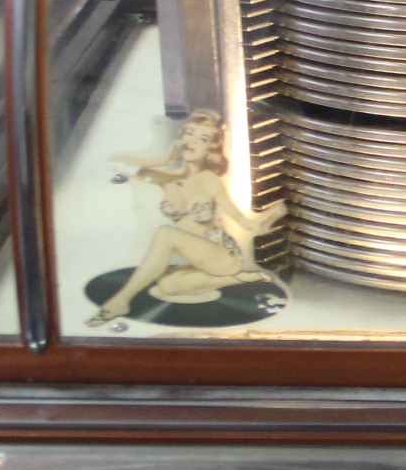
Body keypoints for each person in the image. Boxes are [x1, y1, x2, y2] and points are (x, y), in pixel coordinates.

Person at [85, 110, 287, 325]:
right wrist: (165, 158)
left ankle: (121, 300)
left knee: (166, 234)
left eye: (203, 138)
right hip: (196, 262)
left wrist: (269, 217)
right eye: (189, 133)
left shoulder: (209, 179)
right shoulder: (167, 178)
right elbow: (121, 166)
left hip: (222, 257)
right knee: (166, 286)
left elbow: (242, 220)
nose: (193, 141)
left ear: (210, 149)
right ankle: (240, 278)